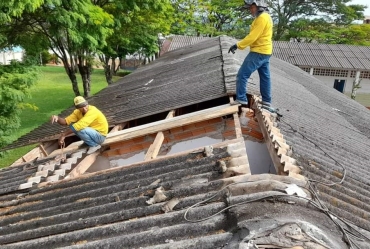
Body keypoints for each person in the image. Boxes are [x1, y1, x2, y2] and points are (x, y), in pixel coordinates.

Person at [228, 0, 273, 107]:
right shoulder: (266, 17)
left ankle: (241, 98)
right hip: (266, 51)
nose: (250, 10)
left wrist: (237, 45)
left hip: (258, 51)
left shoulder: (262, 18)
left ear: (259, 7)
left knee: (242, 75)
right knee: (265, 77)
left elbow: (253, 37)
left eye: (252, 7)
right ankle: (266, 101)